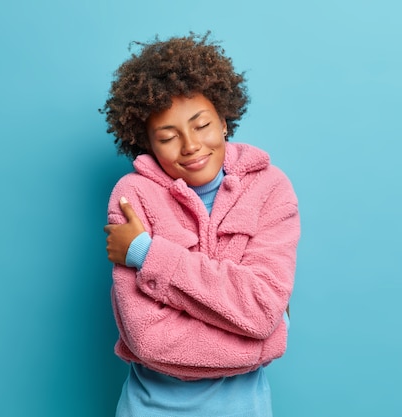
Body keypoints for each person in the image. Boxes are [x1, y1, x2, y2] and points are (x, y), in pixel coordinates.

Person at [101, 32, 300, 417]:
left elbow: (260, 308)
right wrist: (263, 341)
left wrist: (147, 253)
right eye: (168, 136)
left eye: (202, 124)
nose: (190, 145)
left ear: (224, 120)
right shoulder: (132, 196)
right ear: (148, 143)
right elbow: (148, 339)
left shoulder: (271, 189)